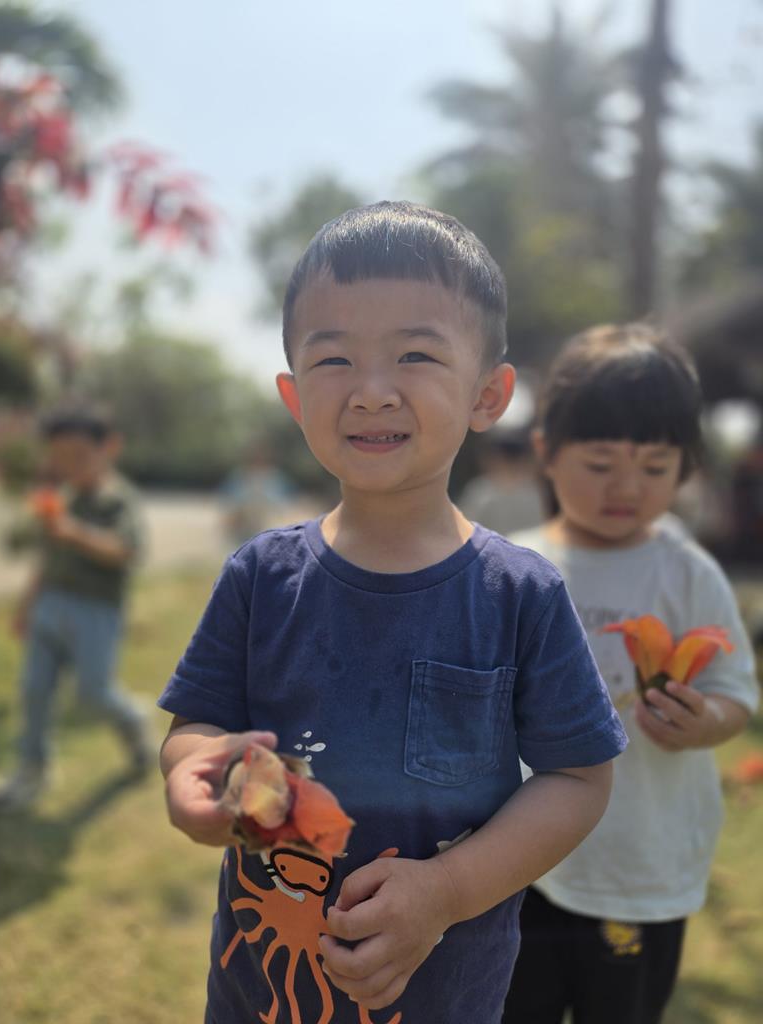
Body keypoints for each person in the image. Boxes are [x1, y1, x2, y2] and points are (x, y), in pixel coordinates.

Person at [158, 201, 627, 1024]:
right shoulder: (260, 576)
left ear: (489, 395)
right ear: (294, 396)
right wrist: (192, 773)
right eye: (333, 359)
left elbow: (579, 779)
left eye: (415, 354)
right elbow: (197, 725)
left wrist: (447, 890)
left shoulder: (520, 594)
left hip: (444, 995)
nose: (371, 393)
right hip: (254, 997)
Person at [503, 323, 760, 1024]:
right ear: (546, 453)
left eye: (654, 467)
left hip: (638, 866)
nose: (626, 487)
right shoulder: (510, 567)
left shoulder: (686, 572)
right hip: (513, 863)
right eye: (599, 464)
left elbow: (735, 692)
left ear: (686, 467)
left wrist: (704, 721)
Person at [0, 406, 152, 808]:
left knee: (93, 694)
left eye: (80, 456)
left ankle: (133, 721)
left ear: (108, 448)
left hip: (95, 612)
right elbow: (46, 560)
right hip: (50, 605)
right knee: (34, 691)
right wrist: (26, 606)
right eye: (60, 458)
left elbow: (127, 550)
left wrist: (74, 532)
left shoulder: (117, 499)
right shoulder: (60, 498)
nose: (70, 466)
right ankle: (30, 771)